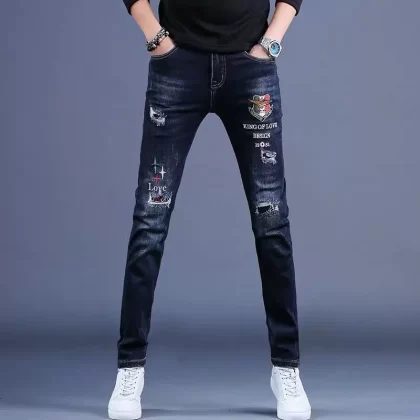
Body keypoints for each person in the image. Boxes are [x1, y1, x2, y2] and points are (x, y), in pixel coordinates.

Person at [108, 1, 311, 419]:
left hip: (250, 68)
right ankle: (130, 369)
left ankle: (286, 367)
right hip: (177, 67)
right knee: (150, 221)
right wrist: (156, 37)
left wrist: (271, 42)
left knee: (272, 221)